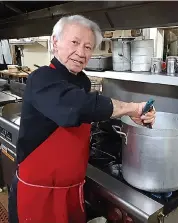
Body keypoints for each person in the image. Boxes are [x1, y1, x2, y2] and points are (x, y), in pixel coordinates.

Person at [8, 15, 156, 223]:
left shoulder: (82, 82)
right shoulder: (41, 78)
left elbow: (90, 113)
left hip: (71, 190)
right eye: (75, 42)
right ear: (55, 42)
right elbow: (76, 109)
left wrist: (136, 117)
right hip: (39, 195)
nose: (81, 53)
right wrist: (132, 108)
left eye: (88, 47)